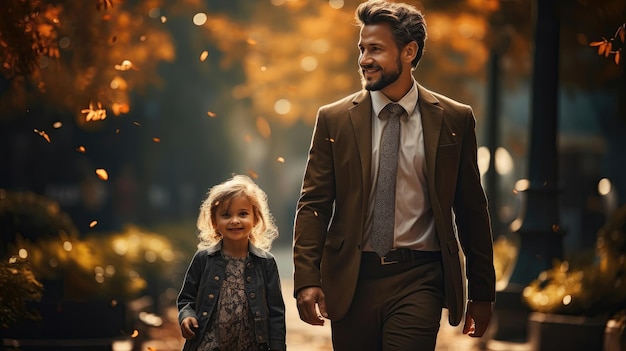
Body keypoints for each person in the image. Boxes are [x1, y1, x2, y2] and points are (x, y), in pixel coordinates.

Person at [292, 1, 496, 350]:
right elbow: (314, 204)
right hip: (352, 278)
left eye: (376, 49)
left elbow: (471, 208)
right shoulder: (334, 119)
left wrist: (482, 291)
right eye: (362, 49)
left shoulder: (454, 120)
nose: (364, 59)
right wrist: (306, 279)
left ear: (409, 51)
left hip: (420, 278)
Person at [177, 174, 286, 351]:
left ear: (255, 218)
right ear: (214, 221)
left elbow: (276, 314)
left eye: (243, 214)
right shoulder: (203, 259)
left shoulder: (266, 263)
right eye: (226, 215)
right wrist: (187, 315)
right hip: (208, 344)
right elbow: (186, 298)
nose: (235, 221)